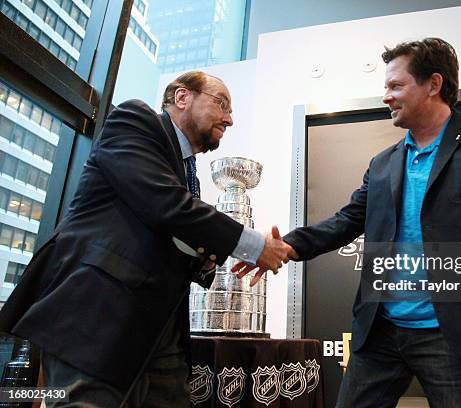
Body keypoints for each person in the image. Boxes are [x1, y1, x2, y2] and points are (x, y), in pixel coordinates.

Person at [233, 38, 461, 407]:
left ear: (433, 85)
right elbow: (347, 219)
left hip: (449, 334)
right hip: (380, 331)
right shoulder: (383, 163)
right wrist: (286, 246)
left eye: (395, 85)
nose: (385, 96)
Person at [0, 71, 293, 407]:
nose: (229, 118)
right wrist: (256, 247)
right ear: (183, 98)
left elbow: (173, 231)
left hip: (159, 339)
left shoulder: (188, 170)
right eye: (222, 104)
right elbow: (166, 205)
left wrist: (212, 255)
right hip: (97, 323)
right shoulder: (134, 121)